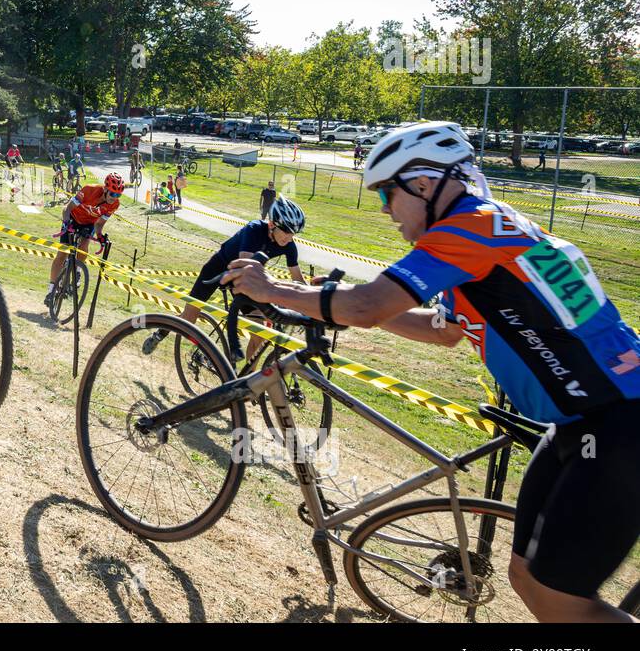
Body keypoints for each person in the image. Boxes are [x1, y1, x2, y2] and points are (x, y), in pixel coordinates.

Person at [223, 122, 640, 622]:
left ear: (424, 184)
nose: (383, 209)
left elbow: (368, 305)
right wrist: (320, 305)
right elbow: (442, 329)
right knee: (526, 578)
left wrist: (275, 291)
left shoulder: (472, 228)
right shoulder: (489, 229)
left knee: (562, 597)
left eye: (386, 192)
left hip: (619, 425)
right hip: (579, 425)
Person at [142, 196, 311, 354]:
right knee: (189, 318)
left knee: (260, 332)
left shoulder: (289, 245)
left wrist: (310, 303)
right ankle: (160, 333)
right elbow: (247, 266)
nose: (290, 237)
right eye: (287, 231)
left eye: (294, 233)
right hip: (219, 268)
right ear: (272, 224)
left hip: (243, 280)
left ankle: (246, 380)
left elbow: (298, 279)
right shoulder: (254, 230)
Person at [46, 173, 124, 305]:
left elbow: (99, 224)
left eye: (118, 195)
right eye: (112, 194)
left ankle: (77, 271)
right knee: (62, 254)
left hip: (88, 223)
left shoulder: (114, 205)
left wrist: (100, 236)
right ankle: (51, 290)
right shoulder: (89, 190)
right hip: (72, 217)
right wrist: (66, 223)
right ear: (105, 189)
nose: (114, 198)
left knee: (84, 244)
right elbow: (68, 208)